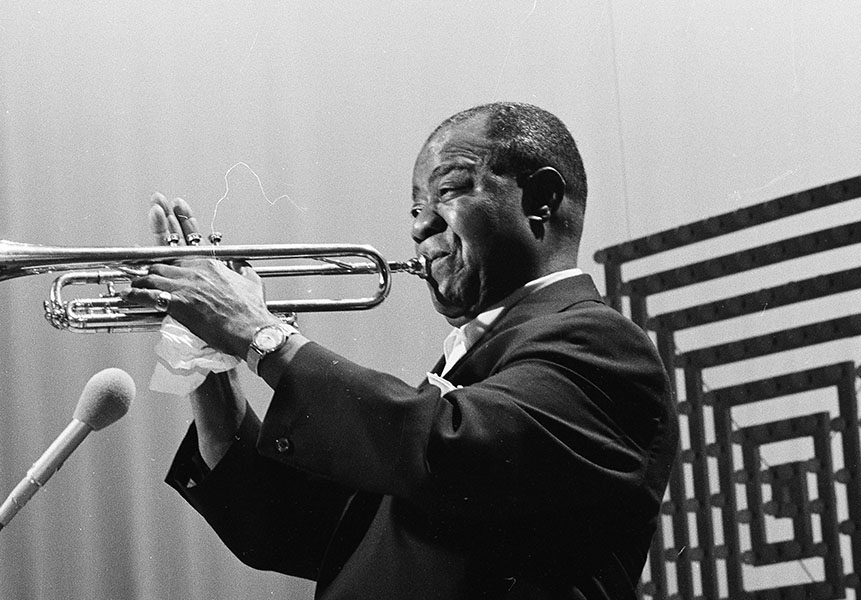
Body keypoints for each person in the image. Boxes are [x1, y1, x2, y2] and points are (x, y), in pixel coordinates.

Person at [124, 102, 678, 599]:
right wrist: (205, 353)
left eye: (448, 192)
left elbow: (448, 448)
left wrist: (256, 333)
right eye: (415, 208)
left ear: (540, 200)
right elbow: (278, 524)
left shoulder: (602, 347)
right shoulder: (466, 371)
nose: (420, 227)